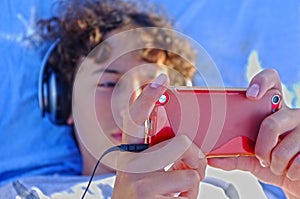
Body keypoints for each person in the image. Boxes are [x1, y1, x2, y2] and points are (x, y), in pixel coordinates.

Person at [1, 0, 300, 199]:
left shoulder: (239, 184)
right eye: (107, 83)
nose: (132, 105)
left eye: (155, 87)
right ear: (64, 103)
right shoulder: (24, 192)